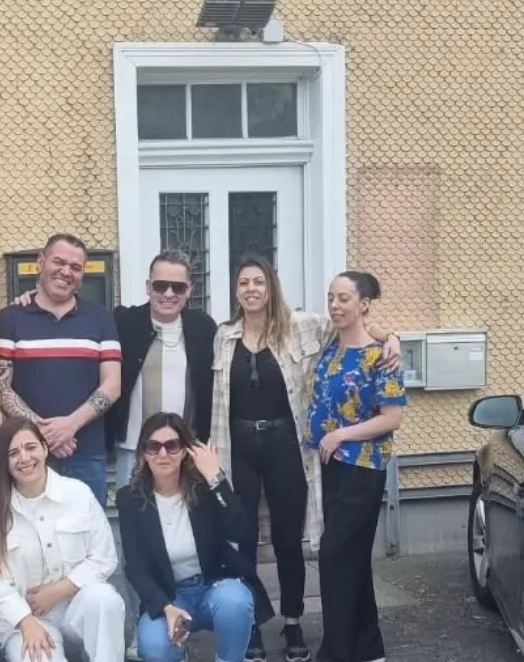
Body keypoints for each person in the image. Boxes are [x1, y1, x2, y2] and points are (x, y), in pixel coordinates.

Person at [209, 255, 401, 662]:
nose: (251, 289)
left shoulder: (301, 326)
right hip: (239, 448)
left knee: (287, 539)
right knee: (243, 538)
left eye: (259, 281)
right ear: (235, 290)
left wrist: (392, 338)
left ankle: (293, 621)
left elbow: (353, 325)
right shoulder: (224, 336)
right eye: (243, 283)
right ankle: (250, 625)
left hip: (287, 446)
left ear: (271, 286)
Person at [116, 412, 273, 662]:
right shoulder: (130, 499)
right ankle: (179, 653)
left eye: (172, 445)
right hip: (170, 595)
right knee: (155, 646)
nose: (163, 454)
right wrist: (166, 608)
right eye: (153, 446)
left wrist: (215, 477)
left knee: (235, 602)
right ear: (143, 453)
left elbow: (241, 532)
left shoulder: (203, 488)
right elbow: (136, 567)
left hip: (213, 586)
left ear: (184, 451)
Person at [306, 271, 406, 662]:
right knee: (354, 559)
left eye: (344, 298)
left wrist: (340, 435)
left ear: (363, 304)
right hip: (331, 469)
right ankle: (368, 649)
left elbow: (392, 418)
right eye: (331, 297)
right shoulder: (330, 347)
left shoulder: (382, 357)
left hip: (362, 468)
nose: (335, 305)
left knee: (334, 556)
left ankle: (335, 652)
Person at [0, 416, 125, 662]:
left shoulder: (77, 493)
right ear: (4, 462)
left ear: (45, 449)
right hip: (25, 618)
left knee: (104, 600)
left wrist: (58, 591)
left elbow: (104, 557)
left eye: (31, 447)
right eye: (13, 453)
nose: (24, 458)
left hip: (75, 605)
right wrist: (25, 622)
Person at [0, 233, 121, 505]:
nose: (66, 272)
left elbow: (112, 385)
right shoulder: (10, 318)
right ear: (41, 262)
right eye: (58, 262)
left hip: (86, 454)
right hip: (25, 454)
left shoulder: (101, 318)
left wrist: (70, 425)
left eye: (75, 267)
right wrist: (44, 434)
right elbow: (0, 387)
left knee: (86, 527)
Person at [109, 249, 217, 489]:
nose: (169, 294)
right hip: (134, 449)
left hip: (185, 451)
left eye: (177, 287)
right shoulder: (123, 322)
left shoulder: (203, 328)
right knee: (133, 508)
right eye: (160, 286)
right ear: (148, 287)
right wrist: (35, 296)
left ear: (189, 290)